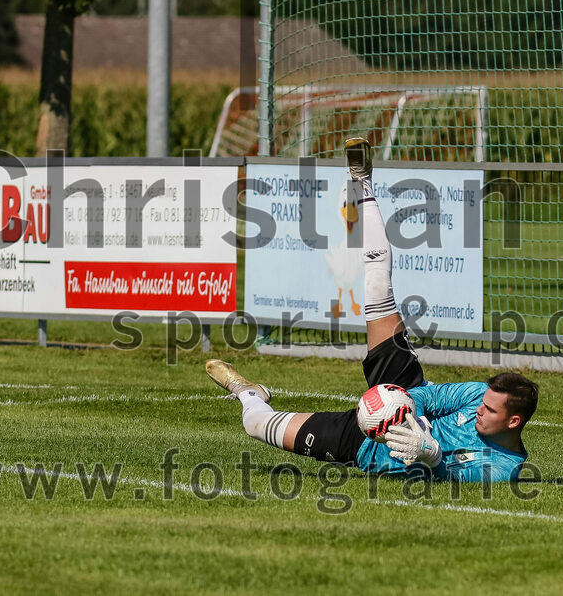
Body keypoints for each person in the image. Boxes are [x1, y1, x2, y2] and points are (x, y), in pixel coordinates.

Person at [206, 137, 538, 482]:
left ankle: (248, 393)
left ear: (513, 421)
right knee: (378, 286)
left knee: (256, 424)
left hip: (361, 446)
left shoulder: (503, 469)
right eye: (483, 404)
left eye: (489, 410)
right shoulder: (475, 395)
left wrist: (432, 456)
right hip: (398, 390)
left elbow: (455, 482)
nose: (479, 411)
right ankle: (362, 180)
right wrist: (406, 411)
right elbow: (431, 395)